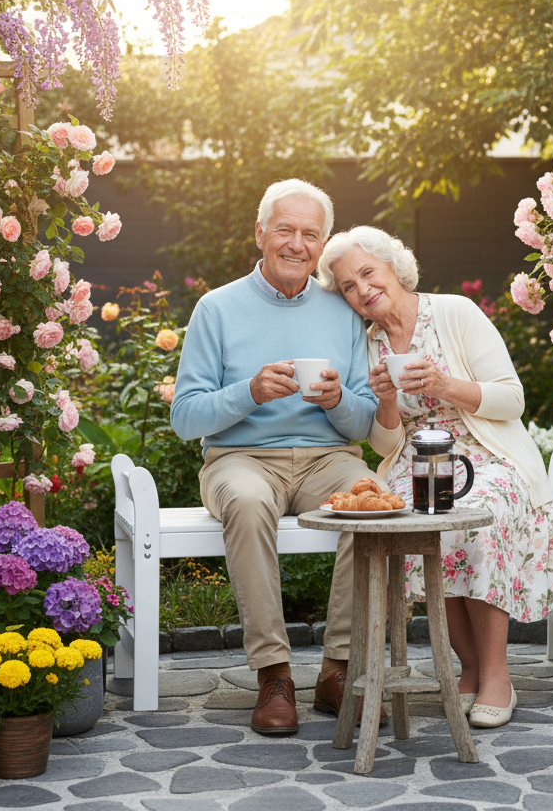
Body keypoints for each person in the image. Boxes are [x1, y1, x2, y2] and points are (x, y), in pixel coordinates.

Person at [317, 226, 553, 728]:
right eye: (349, 286)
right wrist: (388, 401)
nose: (363, 289)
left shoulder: (454, 312)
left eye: (367, 273)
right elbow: (383, 444)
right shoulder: (368, 344)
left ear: (393, 266)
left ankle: (497, 675)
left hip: (487, 452)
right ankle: (471, 666)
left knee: (480, 515)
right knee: (420, 524)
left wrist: (443, 384)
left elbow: (511, 399)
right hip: (417, 459)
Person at [170, 182, 388, 736]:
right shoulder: (216, 308)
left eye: (310, 234)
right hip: (241, 458)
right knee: (244, 500)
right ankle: (274, 675)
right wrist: (249, 392)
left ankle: (339, 671)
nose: (297, 243)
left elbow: (365, 422)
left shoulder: (342, 312)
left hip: (327, 458)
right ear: (261, 233)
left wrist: (339, 401)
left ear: (322, 245)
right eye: (285, 230)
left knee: (373, 504)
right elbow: (185, 418)